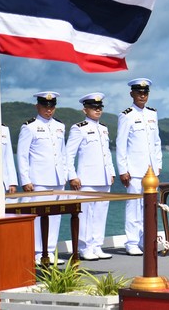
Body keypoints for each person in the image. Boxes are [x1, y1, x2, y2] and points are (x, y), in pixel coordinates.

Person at [17, 91, 78, 265]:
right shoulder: (29, 127)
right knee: (38, 216)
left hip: (57, 179)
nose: (49, 110)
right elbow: (22, 155)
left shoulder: (60, 126)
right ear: (38, 106)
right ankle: (37, 251)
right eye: (45, 106)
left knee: (56, 216)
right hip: (39, 180)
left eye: (51, 106)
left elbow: (63, 153)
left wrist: (65, 174)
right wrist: (25, 180)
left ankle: (50, 250)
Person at [66, 93, 116, 261]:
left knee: (101, 214)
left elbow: (106, 153)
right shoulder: (78, 128)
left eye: (99, 107)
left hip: (103, 178)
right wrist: (72, 176)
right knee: (85, 215)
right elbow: (68, 154)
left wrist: (111, 172)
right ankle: (84, 247)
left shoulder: (104, 129)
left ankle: (96, 246)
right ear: (85, 110)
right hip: (86, 179)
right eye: (93, 108)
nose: (97, 110)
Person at [116, 78, 162, 256]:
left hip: (151, 170)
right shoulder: (126, 115)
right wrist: (123, 170)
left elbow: (156, 141)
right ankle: (132, 242)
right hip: (134, 170)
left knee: (149, 207)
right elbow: (121, 144)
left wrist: (158, 164)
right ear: (132, 94)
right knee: (134, 207)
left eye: (145, 93)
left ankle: (145, 240)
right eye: (139, 93)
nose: (142, 96)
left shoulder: (152, 114)